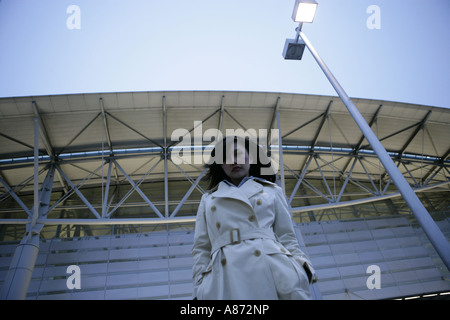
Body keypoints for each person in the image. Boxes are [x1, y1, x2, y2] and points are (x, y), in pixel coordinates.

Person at [191, 136, 317, 300]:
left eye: (238, 153)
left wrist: (301, 266)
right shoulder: (208, 199)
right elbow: (201, 248)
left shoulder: (272, 191)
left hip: (274, 270)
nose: (233, 160)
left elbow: (286, 235)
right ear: (221, 165)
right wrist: (200, 285)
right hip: (224, 276)